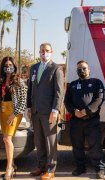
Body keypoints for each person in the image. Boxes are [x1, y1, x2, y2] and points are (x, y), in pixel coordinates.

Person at [27, 43, 64, 180]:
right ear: (39, 52)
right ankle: (41, 166)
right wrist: (29, 107)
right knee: (39, 141)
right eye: (42, 51)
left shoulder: (56, 69)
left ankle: (50, 169)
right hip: (36, 112)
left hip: (49, 112)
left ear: (51, 52)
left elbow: (59, 92)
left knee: (50, 141)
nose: (44, 53)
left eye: (47, 51)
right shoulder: (34, 68)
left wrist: (55, 110)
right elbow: (30, 89)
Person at [64, 60, 105, 179]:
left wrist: (86, 111)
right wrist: (74, 112)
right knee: (77, 146)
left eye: (84, 68)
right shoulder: (72, 84)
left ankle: (100, 169)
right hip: (76, 121)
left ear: (89, 70)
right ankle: (80, 168)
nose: (81, 70)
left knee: (95, 146)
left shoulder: (96, 83)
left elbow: (99, 99)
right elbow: (67, 101)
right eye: (79, 69)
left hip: (92, 120)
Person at [0, 57, 28, 180]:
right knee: (7, 139)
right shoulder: (1, 80)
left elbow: (23, 101)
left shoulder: (19, 81)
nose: (8, 67)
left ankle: (9, 168)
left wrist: (14, 114)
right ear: (2, 67)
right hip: (3, 111)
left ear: (14, 66)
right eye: (6, 65)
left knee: (7, 139)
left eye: (10, 64)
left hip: (14, 112)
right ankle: (12, 164)